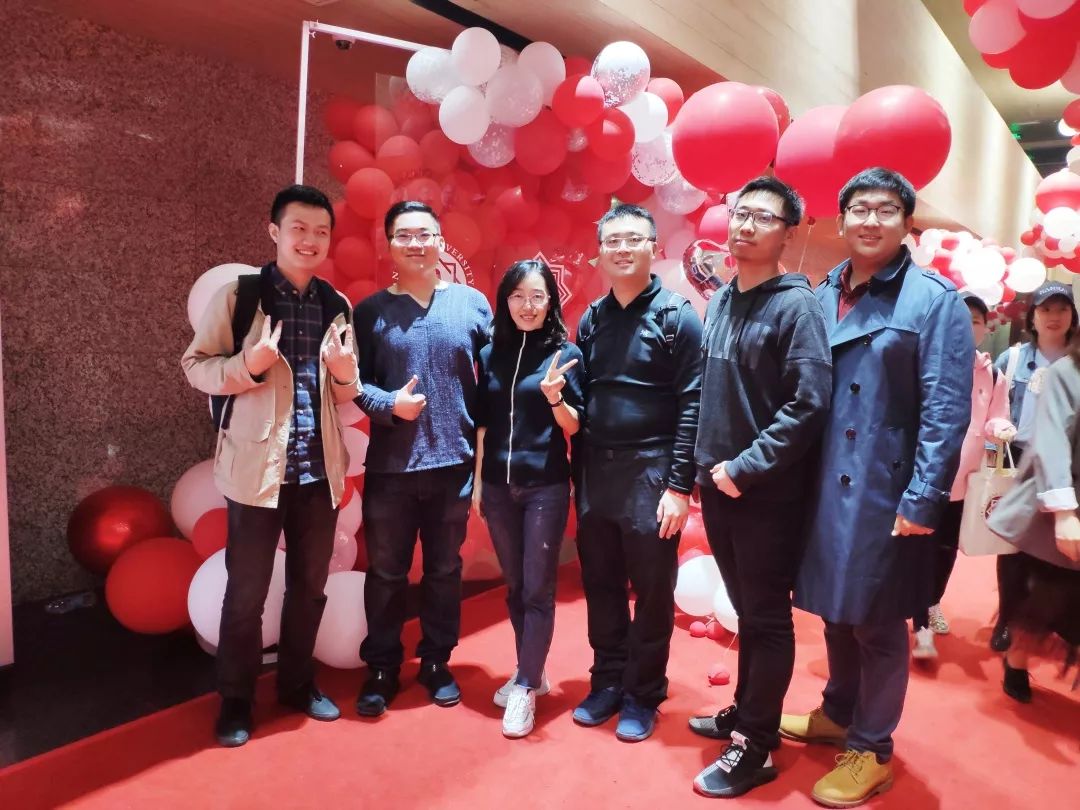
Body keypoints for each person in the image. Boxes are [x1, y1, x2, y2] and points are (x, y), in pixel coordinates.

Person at [780, 168, 974, 808]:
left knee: (879, 620)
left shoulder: (934, 300)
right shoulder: (820, 293)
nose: (870, 220)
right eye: (859, 208)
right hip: (820, 479)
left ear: (907, 222)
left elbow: (946, 409)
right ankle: (839, 712)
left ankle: (873, 748)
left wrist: (923, 497)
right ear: (840, 221)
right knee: (835, 610)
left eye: (886, 209)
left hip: (883, 487)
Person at [182, 184, 361, 747]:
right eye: (299, 228)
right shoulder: (241, 297)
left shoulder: (336, 304)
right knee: (246, 595)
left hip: (318, 472)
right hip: (256, 474)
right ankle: (236, 700)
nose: (310, 240)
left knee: (310, 589)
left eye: (321, 231)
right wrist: (249, 363)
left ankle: (296, 684)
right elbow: (196, 366)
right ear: (274, 232)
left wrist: (344, 374)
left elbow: (344, 390)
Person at [687, 177, 833, 799]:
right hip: (718, 485)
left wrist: (744, 468)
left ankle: (756, 745)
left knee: (767, 618)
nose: (745, 226)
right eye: (740, 213)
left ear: (788, 233)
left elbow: (809, 404)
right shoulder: (723, 298)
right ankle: (748, 713)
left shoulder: (798, 307)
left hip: (765, 492)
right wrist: (704, 471)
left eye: (763, 218)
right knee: (747, 612)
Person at [351, 201, 492, 716]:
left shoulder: (473, 304)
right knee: (386, 573)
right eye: (405, 235)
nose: (416, 243)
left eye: (425, 234)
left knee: (444, 570)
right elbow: (353, 384)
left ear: (440, 240)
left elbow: (493, 381)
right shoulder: (369, 312)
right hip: (390, 471)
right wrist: (390, 404)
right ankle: (382, 667)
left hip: (453, 466)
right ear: (389, 245)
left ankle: (436, 661)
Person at [572, 203, 703, 742]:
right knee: (600, 584)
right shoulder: (591, 318)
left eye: (633, 239)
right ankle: (606, 681)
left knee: (651, 591)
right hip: (595, 472)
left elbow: (693, 403)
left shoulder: (678, 317)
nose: (622, 249)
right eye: (613, 241)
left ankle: (643, 693)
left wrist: (678, 486)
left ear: (653, 247)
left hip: (652, 472)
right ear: (600, 252)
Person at [473, 260, 584, 738]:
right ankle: (531, 671)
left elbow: (576, 425)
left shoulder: (565, 353)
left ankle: (523, 687)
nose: (527, 305)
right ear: (505, 300)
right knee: (515, 587)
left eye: (537, 296)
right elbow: (482, 424)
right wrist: (479, 484)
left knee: (538, 589)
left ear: (550, 301)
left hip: (545, 487)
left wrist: (556, 398)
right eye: (518, 295)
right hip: (498, 487)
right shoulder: (489, 353)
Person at [909, 292, 1016, 660]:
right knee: (918, 549)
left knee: (946, 551)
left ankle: (931, 603)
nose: (967, 326)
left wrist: (1001, 429)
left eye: (975, 321)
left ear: (985, 329)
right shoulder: (926, 362)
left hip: (964, 483)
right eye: (960, 318)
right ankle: (920, 623)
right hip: (924, 476)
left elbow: (996, 417)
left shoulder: (994, 374)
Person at [988, 322, 1080, 702]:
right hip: (1061, 499)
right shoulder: (1066, 372)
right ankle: (1016, 661)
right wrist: (1064, 512)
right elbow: (1052, 440)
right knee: (1043, 597)